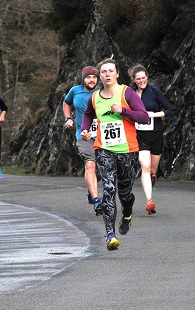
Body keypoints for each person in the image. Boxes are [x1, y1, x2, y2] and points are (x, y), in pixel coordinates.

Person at [80, 58, 149, 251]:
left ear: (117, 74)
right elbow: (88, 114)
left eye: (111, 71)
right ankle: (110, 234)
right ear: (100, 76)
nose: (107, 74)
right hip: (104, 149)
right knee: (109, 189)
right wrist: (85, 130)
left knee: (125, 193)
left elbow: (143, 116)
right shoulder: (94, 97)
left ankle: (127, 213)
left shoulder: (127, 93)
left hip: (127, 151)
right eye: (104, 72)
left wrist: (124, 111)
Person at [128, 64, 172, 215]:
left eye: (143, 78)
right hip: (140, 135)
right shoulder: (131, 94)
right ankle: (149, 201)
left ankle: (154, 175)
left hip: (156, 134)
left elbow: (168, 110)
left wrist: (151, 115)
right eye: (138, 79)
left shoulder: (154, 91)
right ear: (134, 80)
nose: (141, 81)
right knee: (145, 167)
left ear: (147, 77)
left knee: (152, 169)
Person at [63, 66, 102, 215]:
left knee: (101, 172)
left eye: (94, 77)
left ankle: (91, 190)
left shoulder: (102, 91)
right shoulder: (75, 90)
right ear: (83, 79)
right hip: (83, 136)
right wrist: (68, 118)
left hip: (103, 137)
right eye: (88, 77)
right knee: (90, 165)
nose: (91, 80)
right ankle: (97, 201)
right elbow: (66, 103)